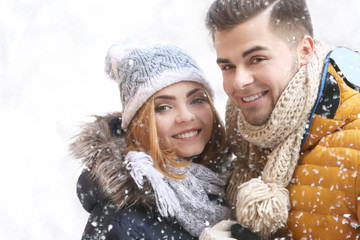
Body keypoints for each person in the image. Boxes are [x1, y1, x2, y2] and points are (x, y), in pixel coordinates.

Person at [200, 0, 360, 239]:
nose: (239, 82)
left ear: (304, 51)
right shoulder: (241, 139)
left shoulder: (354, 141)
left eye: (256, 59)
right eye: (228, 66)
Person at [70, 42, 232, 240]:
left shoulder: (232, 183)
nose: (186, 116)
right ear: (139, 123)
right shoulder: (122, 224)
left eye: (197, 100)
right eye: (163, 107)